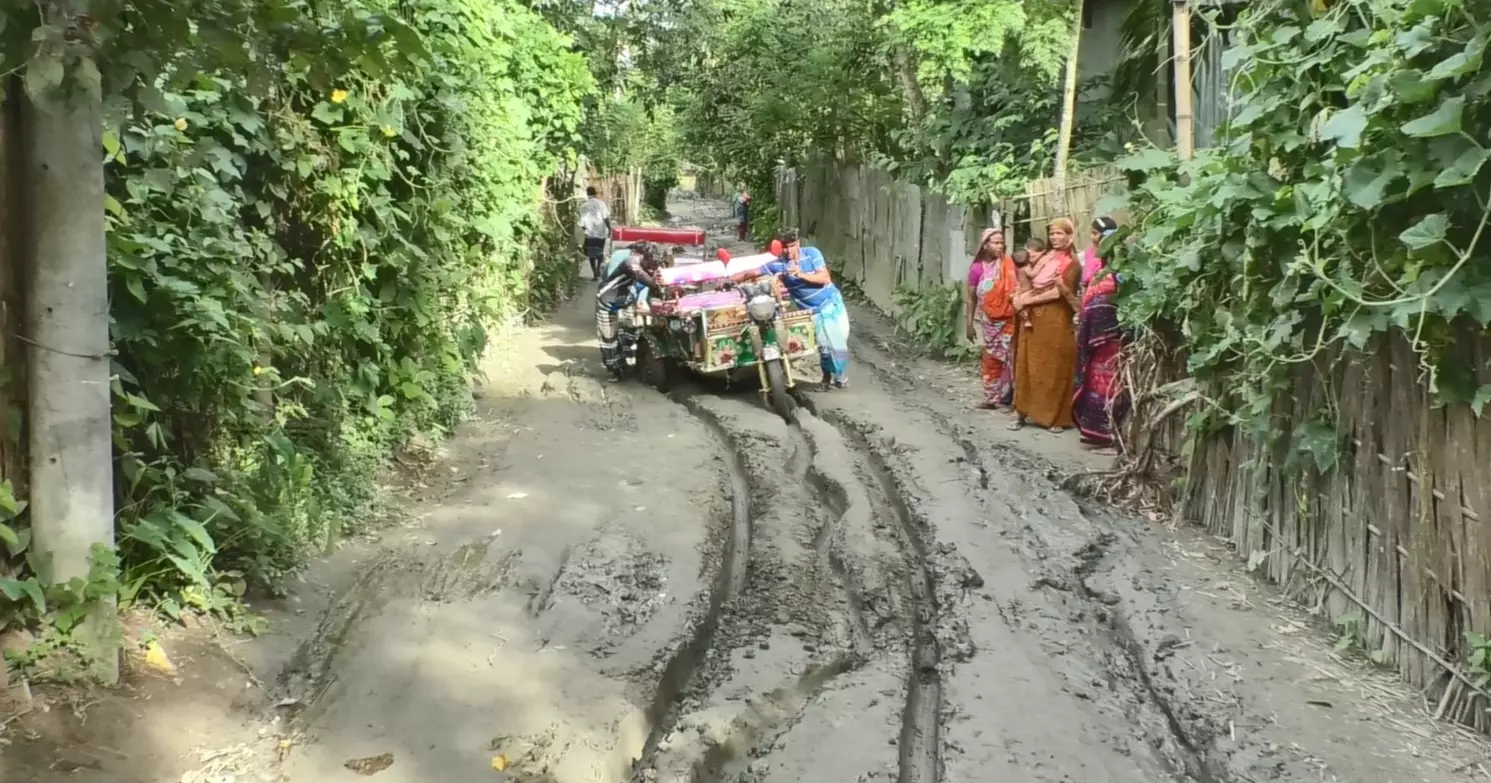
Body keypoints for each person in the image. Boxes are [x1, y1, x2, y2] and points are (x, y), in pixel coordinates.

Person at [740, 229, 850, 389]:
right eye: (785, 247)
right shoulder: (778, 264)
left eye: (792, 246)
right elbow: (753, 272)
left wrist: (800, 274)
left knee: (840, 342)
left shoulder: (812, 254)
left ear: (798, 244)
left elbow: (825, 278)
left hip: (832, 302)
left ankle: (838, 376)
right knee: (825, 347)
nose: (788, 250)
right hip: (815, 312)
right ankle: (828, 378)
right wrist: (731, 279)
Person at [1010, 218, 1081, 432]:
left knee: (1054, 367)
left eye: (1060, 233)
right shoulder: (1045, 256)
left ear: (1070, 236)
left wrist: (1027, 300)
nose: (1055, 238)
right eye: (1052, 234)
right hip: (1033, 320)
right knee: (1027, 365)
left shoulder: (1073, 263)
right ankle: (1022, 413)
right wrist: (1019, 296)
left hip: (1056, 319)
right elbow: (1027, 279)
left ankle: (1055, 418)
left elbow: (1060, 291)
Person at [1072, 216, 1130, 452]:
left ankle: (1110, 432)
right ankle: (1096, 431)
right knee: (1096, 380)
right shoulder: (1095, 265)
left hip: (1113, 335)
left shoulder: (1124, 273)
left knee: (1113, 383)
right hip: (1095, 336)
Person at [964, 228, 1017, 410]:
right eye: (995, 242)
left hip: (1010, 320)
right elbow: (971, 298)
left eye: (1001, 242)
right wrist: (969, 324)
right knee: (991, 357)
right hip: (988, 323)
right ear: (985, 245)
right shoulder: (977, 269)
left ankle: (1010, 397)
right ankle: (992, 397)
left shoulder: (1009, 265)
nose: (999, 246)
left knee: (1011, 357)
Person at [596, 243, 663, 381]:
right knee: (609, 339)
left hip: (626, 299)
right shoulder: (631, 262)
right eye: (650, 265)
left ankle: (631, 365)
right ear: (643, 257)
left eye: (654, 267)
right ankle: (616, 371)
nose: (652, 269)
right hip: (607, 301)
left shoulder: (650, 268)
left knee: (630, 332)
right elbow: (643, 277)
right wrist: (658, 284)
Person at [1013, 236, 1049, 330]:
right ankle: (1026, 321)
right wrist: (1041, 265)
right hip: (1026, 290)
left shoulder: (1019, 268)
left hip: (1021, 290)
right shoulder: (1026, 267)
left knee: (1018, 304)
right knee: (1023, 305)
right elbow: (1032, 274)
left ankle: (1025, 320)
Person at [580, 186, 612, 281]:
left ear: (587, 193)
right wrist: (609, 228)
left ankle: (594, 274)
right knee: (600, 252)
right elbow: (606, 218)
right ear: (595, 193)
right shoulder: (601, 204)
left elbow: (582, 223)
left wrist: (585, 231)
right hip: (601, 232)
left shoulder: (584, 206)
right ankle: (598, 270)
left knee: (591, 254)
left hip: (590, 233)